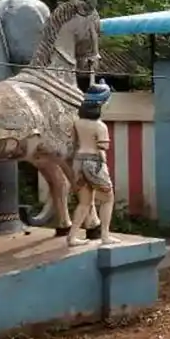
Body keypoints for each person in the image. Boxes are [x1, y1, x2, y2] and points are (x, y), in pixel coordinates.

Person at [66, 81, 117, 247]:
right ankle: (105, 235)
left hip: (78, 162)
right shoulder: (100, 125)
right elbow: (104, 146)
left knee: (84, 202)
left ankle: (72, 236)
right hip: (94, 162)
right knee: (108, 198)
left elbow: (72, 141)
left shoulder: (77, 122)